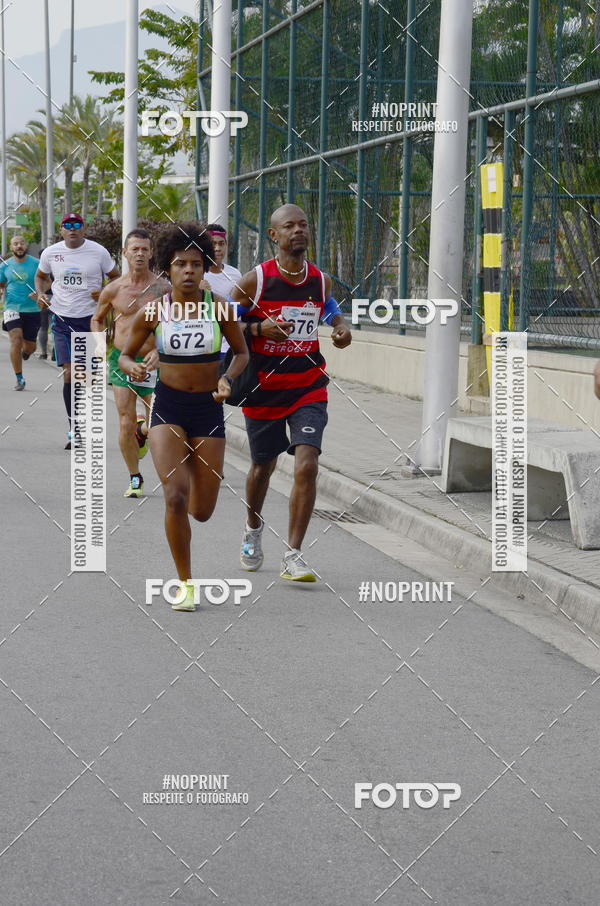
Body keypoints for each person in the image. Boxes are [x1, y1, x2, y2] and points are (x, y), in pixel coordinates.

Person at [118, 222, 248, 612]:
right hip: (169, 407)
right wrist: (133, 367)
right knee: (175, 497)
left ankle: (187, 460)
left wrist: (227, 378)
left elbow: (241, 353)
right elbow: (125, 353)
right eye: (180, 264)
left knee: (202, 511)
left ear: (206, 267)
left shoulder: (220, 308)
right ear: (167, 269)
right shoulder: (155, 310)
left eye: (195, 263)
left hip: (208, 409)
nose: (188, 270)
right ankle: (186, 584)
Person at [230, 203, 352, 582]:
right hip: (264, 389)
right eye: (289, 226)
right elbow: (225, 320)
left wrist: (341, 327)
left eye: (303, 224)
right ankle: (253, 528)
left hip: (307, 386)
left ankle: (294, 554)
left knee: (307, 464)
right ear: (274, 235)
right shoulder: (255, 281)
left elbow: (328, 308)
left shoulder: (320, 280)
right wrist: (257, 330)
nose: (298, 230)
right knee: (262, 468)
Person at [91, 228, 170, 498]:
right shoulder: (113, 289)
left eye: (144, 249)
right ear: (124, 253)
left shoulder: (164, 288)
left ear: (151, 253)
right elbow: (97, 318)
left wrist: (161, 352)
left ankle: (144, 430)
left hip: (154, 362)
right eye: (134, 249)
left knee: (158, 421)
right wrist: (100, 344)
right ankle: (135, 477)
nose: (139, 253)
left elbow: (175, 323)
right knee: (124, 421)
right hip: (121, 359)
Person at [34, 213, 120, 448]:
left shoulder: (98, 252)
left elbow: (115, 278)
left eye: (77, 225)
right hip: (62, 319)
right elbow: (41, 277)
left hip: (91, 320)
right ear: (61, 230)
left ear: (84, 229)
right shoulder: (50, 253)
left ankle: (83, 422)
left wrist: (103, 291)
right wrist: (42, 294)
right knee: (70, 372)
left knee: (88, 378)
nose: (72, 229)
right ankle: (74, 428)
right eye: (67, 226)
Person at [0, 236, 41, 390]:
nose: (19, 246)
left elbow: (47, 281)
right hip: (12, 307)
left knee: (30, 347)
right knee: (16, 340)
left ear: (26, 245)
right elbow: (1, 283)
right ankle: (19, 378)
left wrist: (40, 292)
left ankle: (26, 352)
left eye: (22, 243)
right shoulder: (5, 266)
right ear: (11, 247)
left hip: (32, 309)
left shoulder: (36, 264)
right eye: (16, 244)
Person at [203, 223, 243, 361]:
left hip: (226, 348)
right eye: (213, 244)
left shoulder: (235, 275)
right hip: (201, 347)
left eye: (221, 244)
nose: (217, 248)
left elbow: (237, 312)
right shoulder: (194, 274)